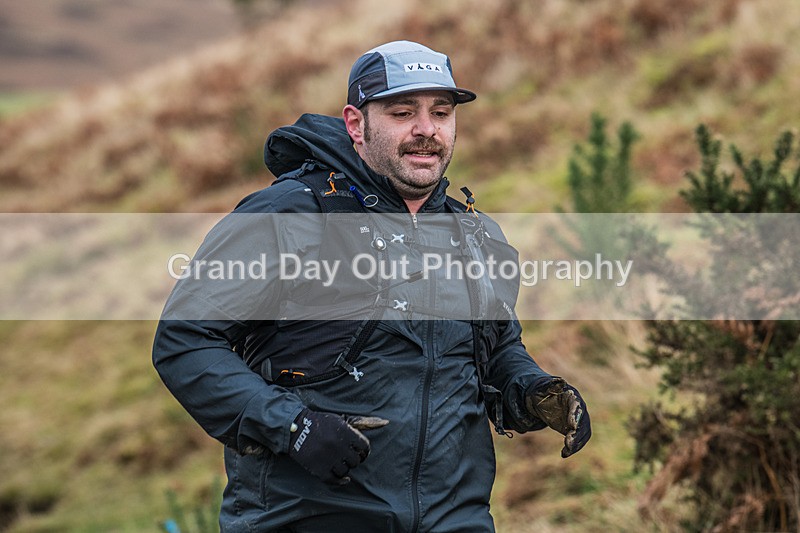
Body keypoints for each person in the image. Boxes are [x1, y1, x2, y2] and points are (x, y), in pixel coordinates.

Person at [153, 40, 591, 532]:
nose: (426, 129)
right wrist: (292, 427)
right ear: (356, 124)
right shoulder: (289, 214)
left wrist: (532, 389)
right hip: (309, 518)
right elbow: (185, 341)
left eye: (441, 112)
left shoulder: (475, 234)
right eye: (403, 113)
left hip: (456, 518)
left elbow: (495, 348)